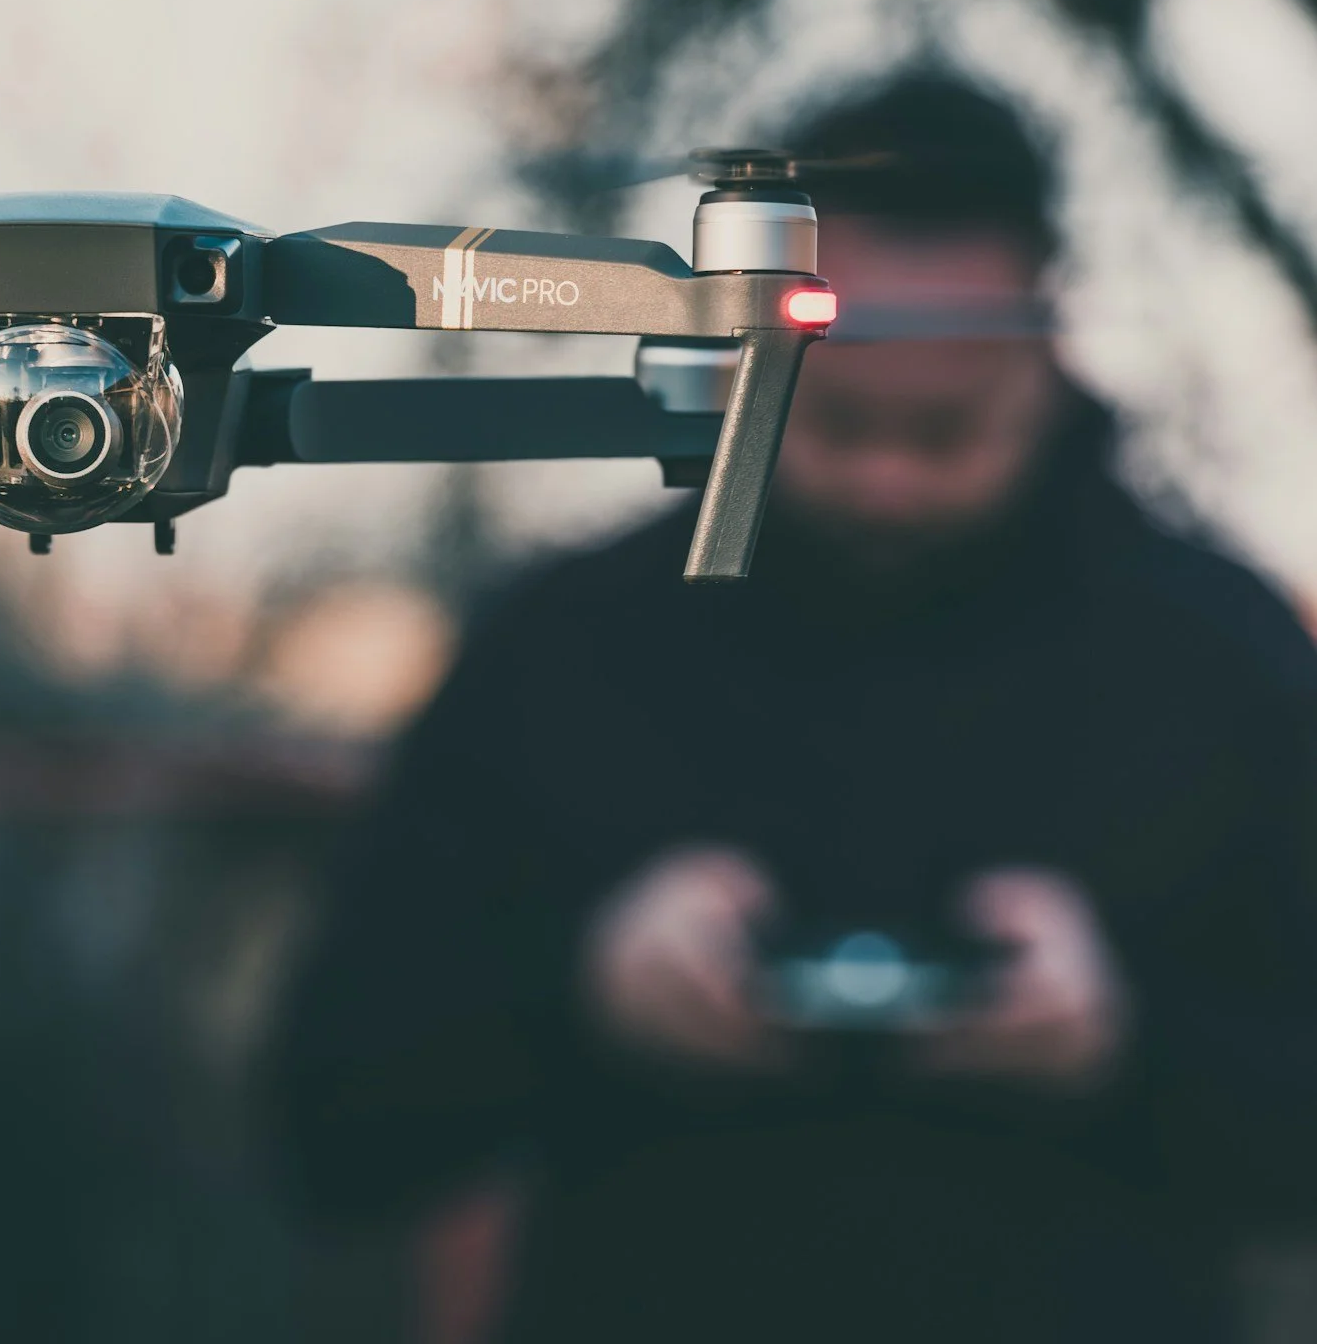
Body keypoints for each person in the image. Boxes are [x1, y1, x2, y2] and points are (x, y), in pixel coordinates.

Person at [265, 72, 1317, 1344]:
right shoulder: (568, 642)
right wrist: (585, 992)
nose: (884, 480)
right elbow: (326, 1116)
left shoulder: (1223, 661)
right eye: (837, 420)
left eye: (942, 431)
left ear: (1046, 340)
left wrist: (1126, 1045)